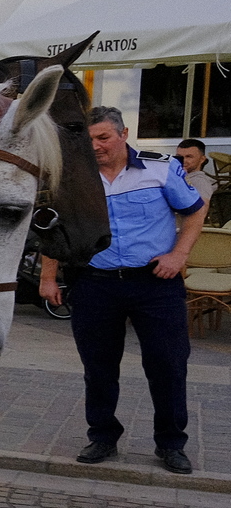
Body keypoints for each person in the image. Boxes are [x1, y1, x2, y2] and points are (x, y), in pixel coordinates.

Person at [40, 107, 207, 474]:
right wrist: (48, 276)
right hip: (94, 284)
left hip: (155, 283)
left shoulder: (160, 169)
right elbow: (53, 227)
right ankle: (102, 436)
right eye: (89, 139)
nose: (96, 146)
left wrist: (179, 254)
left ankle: (171, 443)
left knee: (167, 365)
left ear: (123, 133)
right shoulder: (72, 176)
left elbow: (195, 211)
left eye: (103, 137)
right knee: (98, 367)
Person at [174, 138, 217, 210]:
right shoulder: (180, 176)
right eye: (179, 157)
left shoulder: (200, 181)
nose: (183, 160)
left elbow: (200, 211)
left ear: (202, 159)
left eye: (189, 157)